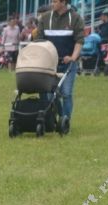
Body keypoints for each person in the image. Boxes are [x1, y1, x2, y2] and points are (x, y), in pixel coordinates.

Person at [37, 0, 84, 133]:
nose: (52, 3)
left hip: (68, 63)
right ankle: (60, 118)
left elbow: (79, 40)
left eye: (55, 1)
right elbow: (39, 40)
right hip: (50, 64)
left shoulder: (75, 18)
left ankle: (66, 120)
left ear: (64, 2)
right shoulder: (45, 18)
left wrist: (73, 57)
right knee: (53, 94)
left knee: (66, 93)